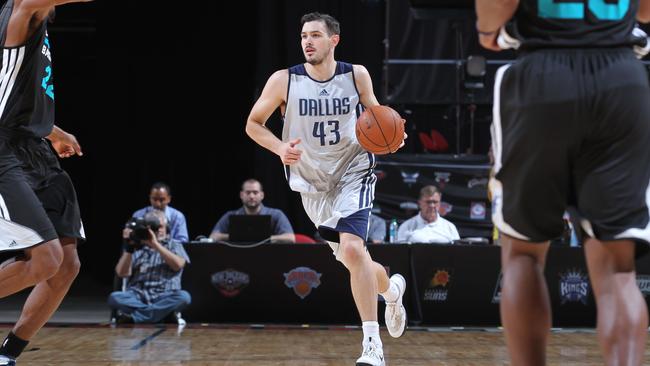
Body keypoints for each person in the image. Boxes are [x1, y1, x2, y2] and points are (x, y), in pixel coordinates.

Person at [477, 0, 650, 365]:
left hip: (543, 73)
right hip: (620, 77)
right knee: (619, 267)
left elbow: (498, 7)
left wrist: (487, 28)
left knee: (523, 253)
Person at [245, 12, 407, 365]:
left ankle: (371, 345)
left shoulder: (356, 74)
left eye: (315, 35)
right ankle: (392, 290)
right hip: (313, 185)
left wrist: (393, 135)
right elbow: (253, 124)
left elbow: (377, 116)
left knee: (352, 250)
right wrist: (279, 148)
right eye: (304, 35)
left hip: (353, 171)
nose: (307, 41)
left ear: (334, 40)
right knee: (356, 261)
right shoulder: (284, 80)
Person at [0, 1, 91, 365]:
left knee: (67, 265)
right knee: (45, 259)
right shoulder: (23, 11)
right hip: (5, 151)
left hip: (34, 147)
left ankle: (7, 355)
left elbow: (12, 96)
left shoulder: (34, 22)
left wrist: (54, 132)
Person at [109, 210, 191, 324]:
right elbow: (121, 273)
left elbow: (178, 265)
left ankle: (135, 318)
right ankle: (162, 315)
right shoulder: (137, 246)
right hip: (137, 296)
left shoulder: (174, 245)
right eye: (152, 227)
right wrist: (128, 247)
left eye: (160, 226)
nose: (157, 230)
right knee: (115, 297)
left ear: (167, 227)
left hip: (165, 296)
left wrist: (155, 244)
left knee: (184, 297)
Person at [209, 179, 295, 243]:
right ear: (241, 195)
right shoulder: (231, 215)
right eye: (248, 192)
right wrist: (238, 236)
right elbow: (214, 236)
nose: (251, 196)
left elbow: (290, 238)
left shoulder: (276, 214)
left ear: (262, 195)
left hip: (268, 257)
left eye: (255, 192)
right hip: (238, 257)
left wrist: (262, 238)